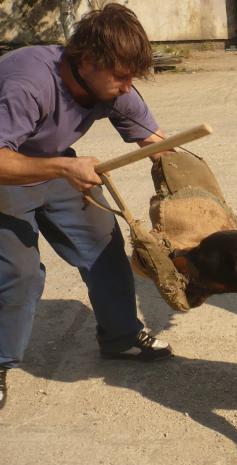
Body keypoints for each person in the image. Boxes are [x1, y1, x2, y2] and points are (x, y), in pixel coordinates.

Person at [0, 4, 173, 410]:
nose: (128, 87)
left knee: (102, 244)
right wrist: (62, 166)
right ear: (88, 60)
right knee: (19, 273)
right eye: (121, 76)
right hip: (7, 171)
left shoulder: (113, 85)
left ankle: (121, 337)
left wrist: (186, 183)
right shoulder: (28, 83)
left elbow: (156, 143)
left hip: (56, 165)